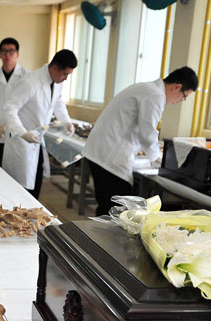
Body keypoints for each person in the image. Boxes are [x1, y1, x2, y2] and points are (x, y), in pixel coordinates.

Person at [84, 66, 198, 215]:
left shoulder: (147, 88)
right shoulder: (155, 95)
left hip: (102, 151)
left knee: (109, 206)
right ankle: (100, 237)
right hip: (110, 156)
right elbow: (148, 132)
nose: (180, 101)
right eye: (184, 97)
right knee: (116, 209)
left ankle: (98, 236)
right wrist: (159, 158)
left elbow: (140, 129)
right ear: (177, 87)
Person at [2, 49, 78, 200]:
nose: (65, 79)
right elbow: (9, 108)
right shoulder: (30, 82)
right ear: (54, 68)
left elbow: (58, 102)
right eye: (65, 74)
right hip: (21, 141)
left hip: (37, 140)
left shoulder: (57, 82)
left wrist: (66, 121)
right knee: (19, 191)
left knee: (35, 184)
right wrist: (22, 132)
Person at [0, 37, 28, 167]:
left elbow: (27, 106)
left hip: (18, 133)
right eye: (4, 51)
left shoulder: (27, 77)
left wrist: (10, 123)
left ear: (17, 54)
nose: (7, 54)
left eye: (11, 51)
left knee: (17, 173)